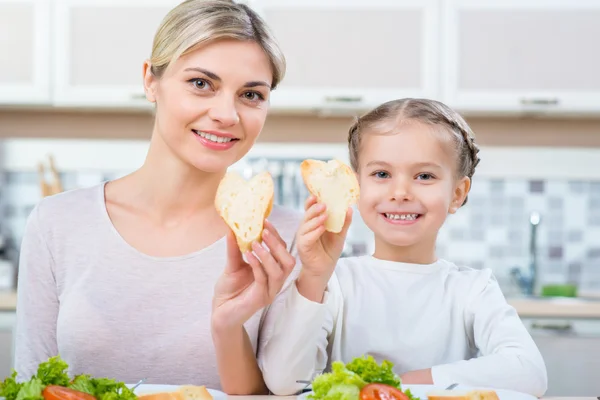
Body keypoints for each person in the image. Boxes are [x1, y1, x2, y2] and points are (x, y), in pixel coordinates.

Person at [14, 0, 301, 395]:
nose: (227, 114)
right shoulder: (56, 223)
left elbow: (286, 393)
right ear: (151, 80)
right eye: (201, 84)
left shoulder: (286, 238)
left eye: (251, 94)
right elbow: (31, 386)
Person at [257, 98, 548, 397]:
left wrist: (413, 380)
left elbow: (530, 372)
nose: (399, 193)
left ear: (457, 194)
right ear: (356, 187)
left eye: (424, 176)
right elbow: (283, 381)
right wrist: (314, 276)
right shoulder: (334, 281)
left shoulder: (473, 289)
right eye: (381, 174)